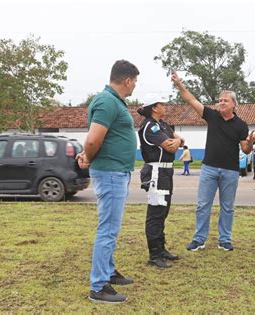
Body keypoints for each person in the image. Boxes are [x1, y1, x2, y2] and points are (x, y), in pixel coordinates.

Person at [76, 60, 139, 303]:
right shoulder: (106, 101)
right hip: (110, 173)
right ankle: (98, 286)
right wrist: (88, 155)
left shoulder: (113, 101)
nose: (135, 86)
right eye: (135, 81)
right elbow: (93, 139)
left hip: (116, 172)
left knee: (111, 228)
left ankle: (109, 271)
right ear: (127, 80)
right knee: (108, 229)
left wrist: (87, 156)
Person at [171, 71, 255, 251]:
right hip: (209, 168)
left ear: (234, 104)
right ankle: (199, 239)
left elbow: (245, 149)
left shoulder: (241, 125)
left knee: (227, 207)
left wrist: (250, 143)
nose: (221, 102)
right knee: (203, 205)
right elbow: (191, 100)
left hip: (230, 171)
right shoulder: (212, 116)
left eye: (225, 100)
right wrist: (179, 84)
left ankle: (224, 239)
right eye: (220, 100)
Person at [137, 95, 184, 269]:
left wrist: (177, 140)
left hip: (166, 171)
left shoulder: (162, 124)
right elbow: (171, 146)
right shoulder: (150, 126)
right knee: (155, 213)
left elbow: (179, 140)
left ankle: (161, 248)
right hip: (156, 171)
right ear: (154, 107)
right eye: (162, 104)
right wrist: (177, 141)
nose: (165, 107)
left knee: (163, 211)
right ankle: (154, 254)